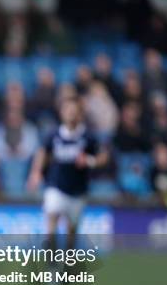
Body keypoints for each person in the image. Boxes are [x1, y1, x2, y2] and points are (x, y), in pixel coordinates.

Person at [27, 97, 107, 249]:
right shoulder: (54, 135)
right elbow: (42, 152)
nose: (70, 114)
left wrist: (90, 161)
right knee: (51, 223)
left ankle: (68, 263)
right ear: (62, 113)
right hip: (56, 186)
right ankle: (51, 262)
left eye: (73, 110)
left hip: (78, 190)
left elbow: (104, 156)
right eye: (67, 110)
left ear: (79, 114)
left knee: (71, 232)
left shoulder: (88, 137)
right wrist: (36, 173)